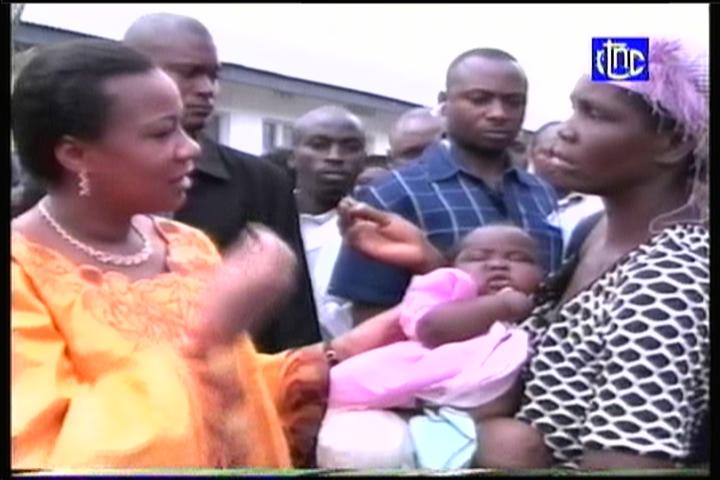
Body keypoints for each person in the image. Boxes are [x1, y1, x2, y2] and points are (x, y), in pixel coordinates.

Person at [11, 38, 406, 470]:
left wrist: (342, 351)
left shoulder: (186, 245)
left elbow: (237, 395)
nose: (191, 148)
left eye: (184, 128)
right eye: (162, 133)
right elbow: (47, 454)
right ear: (75, 154)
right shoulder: (21, 272)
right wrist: (210, 337)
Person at [333, 38, 709, 470]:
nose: (566, 130)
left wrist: (497, 452)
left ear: (673, 143)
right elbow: (528, 333)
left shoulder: (668, 277)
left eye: (595, 114)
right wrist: (434, 264)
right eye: (574, 108)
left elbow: (625, 464)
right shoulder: (595, 233)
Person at [123, 13, 320, 353]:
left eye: (213, 76)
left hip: (237, 376)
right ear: (129, 74)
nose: (207, 89)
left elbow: (294, 321)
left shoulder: (261, 182)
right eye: (188, 73)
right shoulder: (80, 174)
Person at [328, 47, 563, 326]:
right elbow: (370, 317)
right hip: (431, 352)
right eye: (479, 99)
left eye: (513, 102)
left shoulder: (541, 193)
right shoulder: (393, 194)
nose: (499, 113)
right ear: (444, 103)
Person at [317, 220, 544, 469]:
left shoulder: (545, 312)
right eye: (478, 257)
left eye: (518, 258)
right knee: (365, 449)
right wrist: (503, 306)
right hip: (419, 411)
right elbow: (433, 330)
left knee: (517, 444)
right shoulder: (445, 297)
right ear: (452, 268)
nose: (497, 265)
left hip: (488, 424)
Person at [290, 105, 368, 340]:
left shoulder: (377, 227)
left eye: (350, 147)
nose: (335, 156)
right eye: (319, 145)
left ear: (363, 159)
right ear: (292, 157)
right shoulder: (264, 218)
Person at [528, 121, 604, 253]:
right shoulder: (511, 196)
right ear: (531, 153)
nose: (558, 162)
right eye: (550, 154)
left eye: (570, 155)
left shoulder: (597, 208)